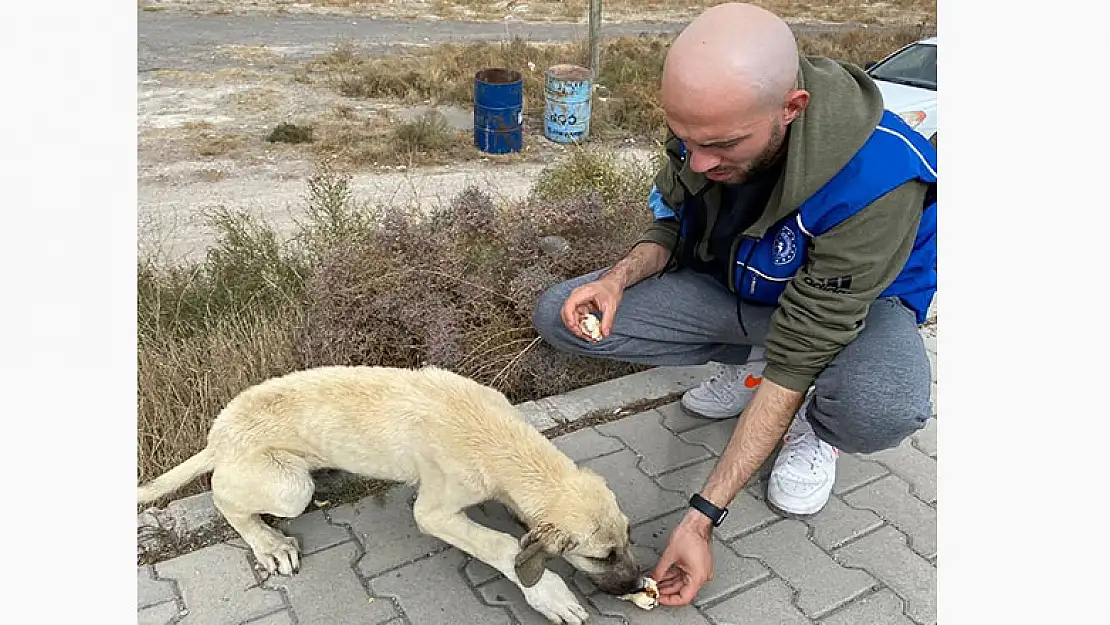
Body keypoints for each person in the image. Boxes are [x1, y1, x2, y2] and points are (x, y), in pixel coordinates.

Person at [530, 2, 937, 608]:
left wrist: (700, 520)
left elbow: (807, 339)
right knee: (564, 313)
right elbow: (670, 225)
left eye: (721, 146)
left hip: (856, 310)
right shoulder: (707, 124)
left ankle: (811, 424)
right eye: (686, 141)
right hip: (745, 285)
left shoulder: (877, 176)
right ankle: (750, 369)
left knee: (880, 405)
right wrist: (617, 279)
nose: (698, 162)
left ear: (791, 109)